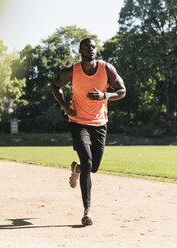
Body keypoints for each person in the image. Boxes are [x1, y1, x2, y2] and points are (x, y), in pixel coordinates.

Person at [51, 38, 126, 225]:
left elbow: (122, 90)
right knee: (88, 160)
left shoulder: (107, 69)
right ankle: (87, 211)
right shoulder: (71, 71)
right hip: (78, 122)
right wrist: (65, 107)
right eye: (86, 47)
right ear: (80, 51)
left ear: (96, 50)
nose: (90, 50)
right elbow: (55, 86)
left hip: (100, 123)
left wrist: (105, 95)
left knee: (93, 167)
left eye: (93, 47)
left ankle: (77, 169)